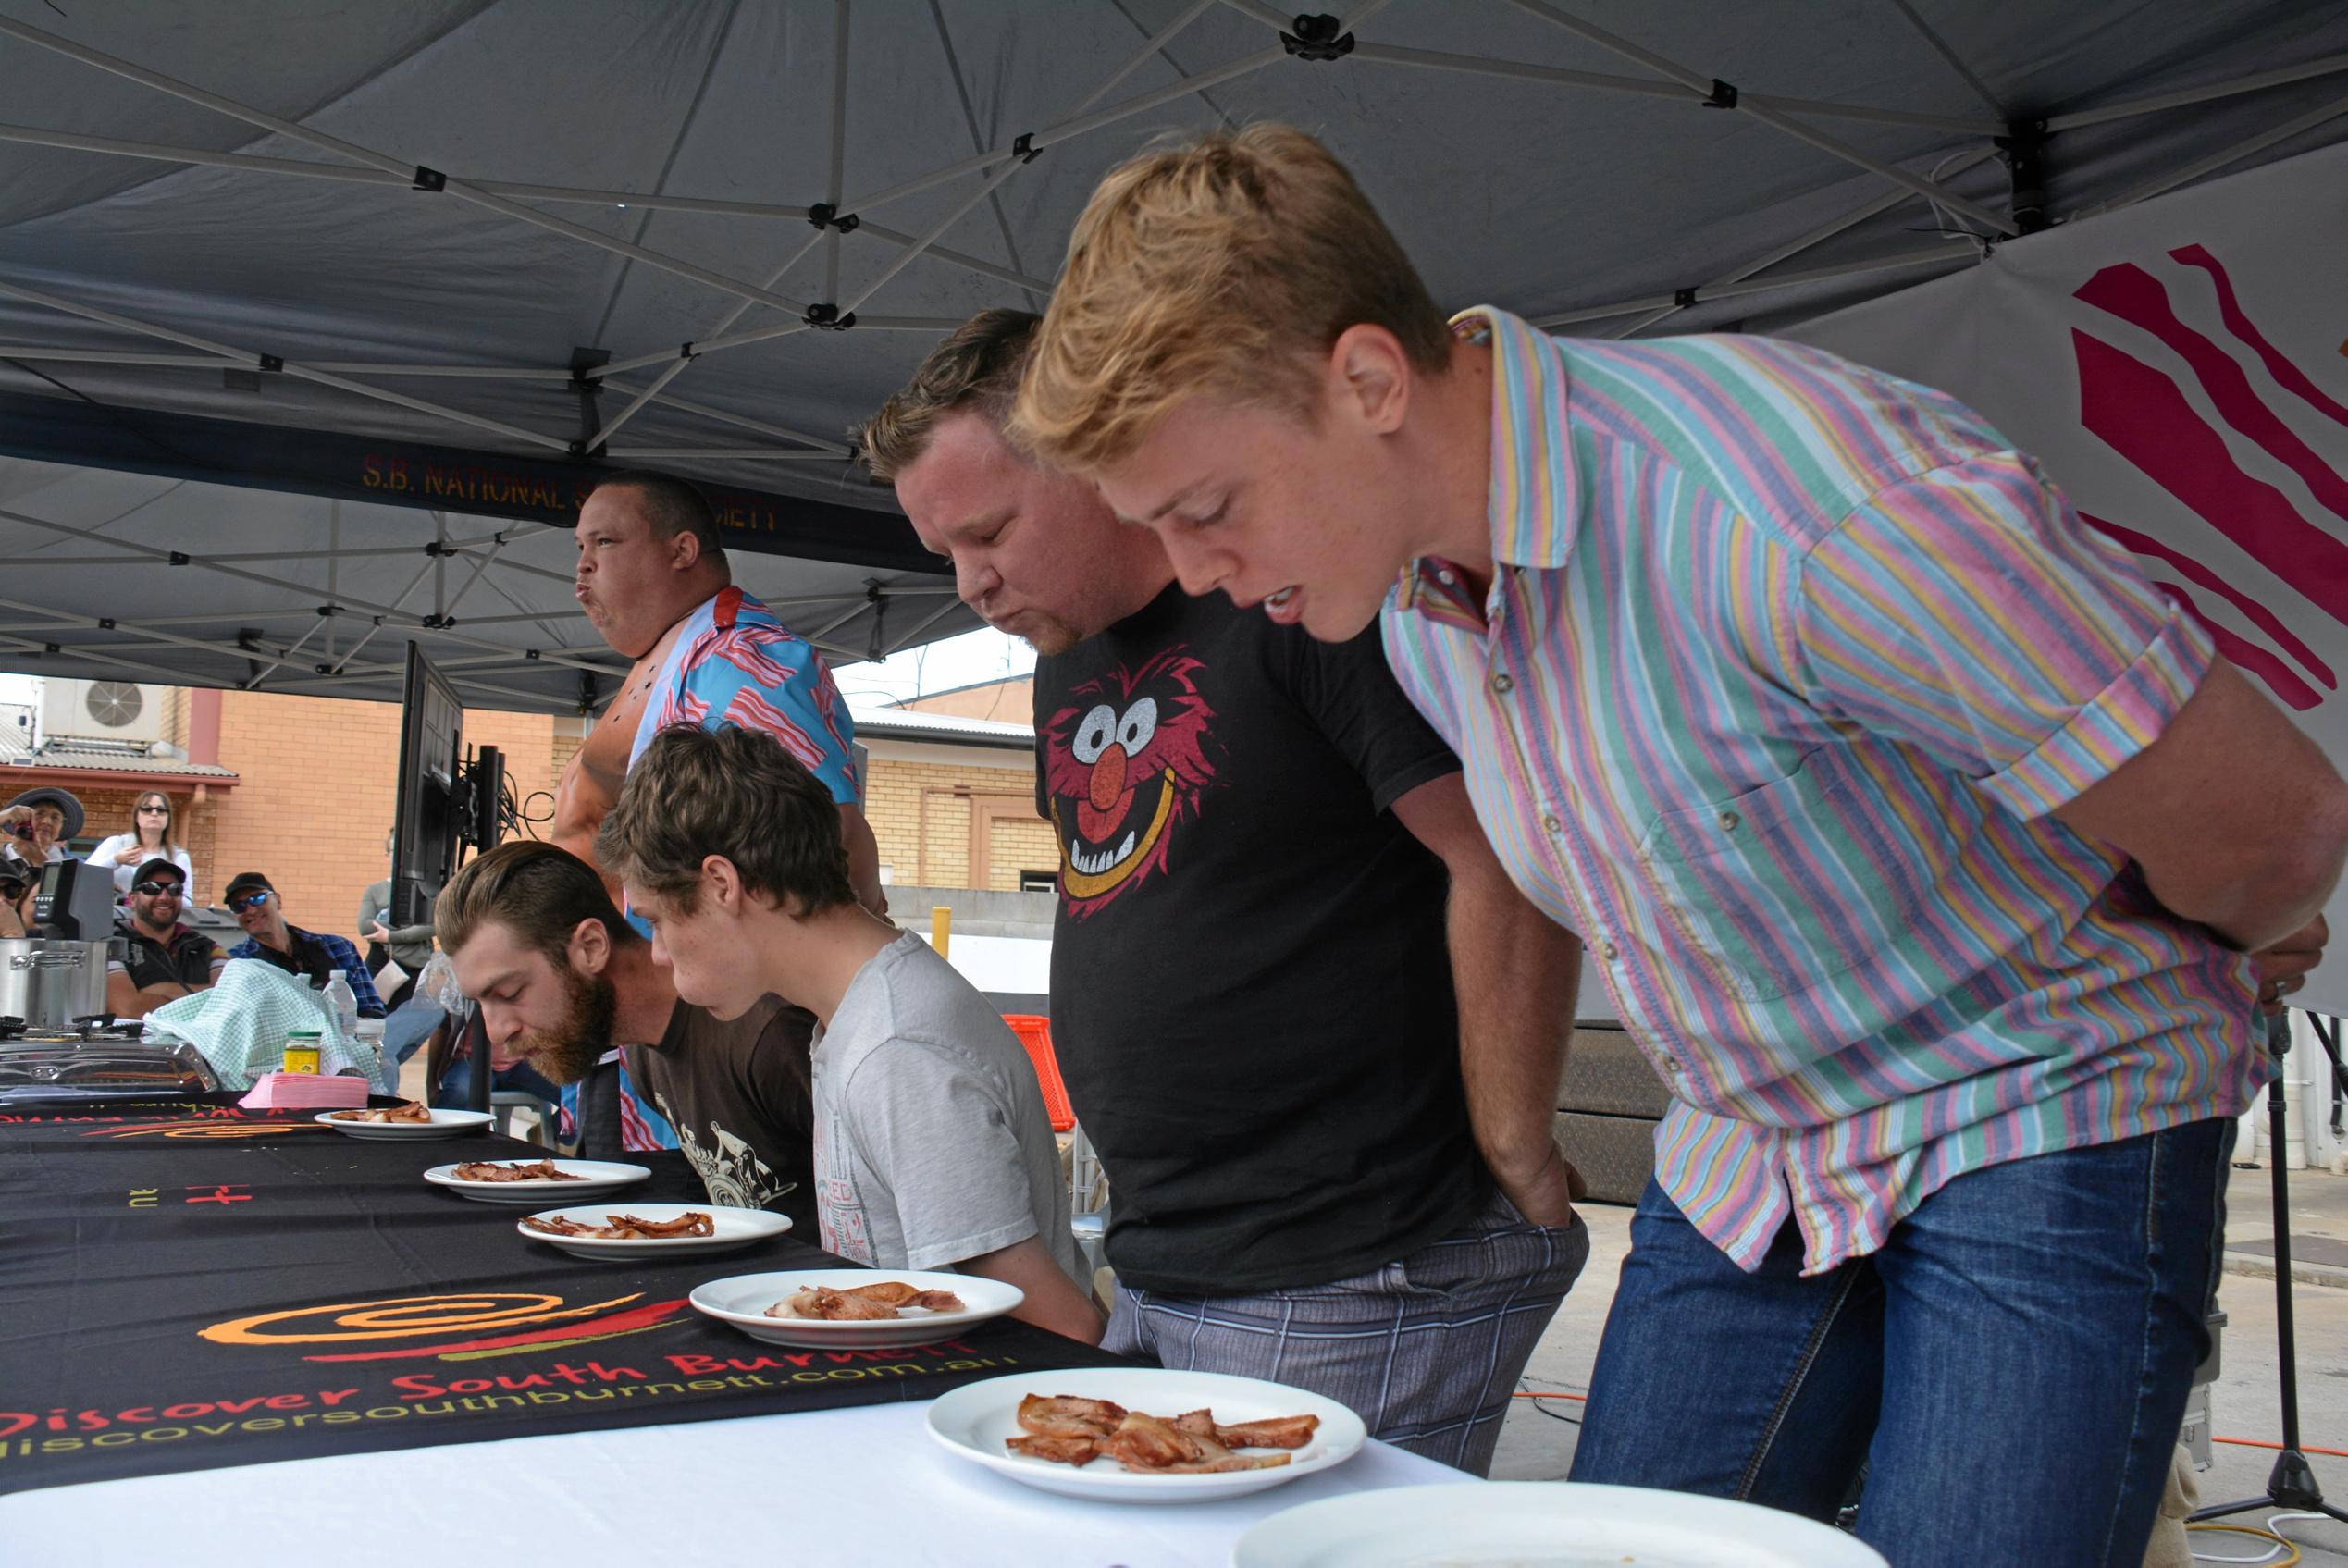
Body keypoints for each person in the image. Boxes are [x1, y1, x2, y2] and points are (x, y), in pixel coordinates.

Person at [1008, 124, 2348, 1562]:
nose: (1198, 573)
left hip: (2035, 1089)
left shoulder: (1797, 512)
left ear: (1367, 379)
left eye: (1208, 510)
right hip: (1753, 1137)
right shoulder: (1401, 582)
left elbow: (2272, 831)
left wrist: (2233, 921)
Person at [859, 309, 1589, 1470]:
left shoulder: (1298, 597)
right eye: (945, 552)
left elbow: (1505, 852)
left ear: (1093, 454)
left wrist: (1517, 1148)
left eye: (990, 531)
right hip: (1169, 1257)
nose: (972, 584)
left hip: (1353, 1258)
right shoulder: (1065, 660)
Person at [598, 722, 1100, 1344]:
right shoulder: (856, 1016)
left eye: (656, 922)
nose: (657, 955)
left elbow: (1061, 1324)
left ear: (721, 884)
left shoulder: (897, 1054)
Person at [544, 469, 883, 1156]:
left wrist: (841, 1019)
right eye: (578, 547)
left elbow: (831, 848)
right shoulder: (667, 660)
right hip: (646, 1055)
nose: (582, 567)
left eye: (605, 542)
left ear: (682, 550)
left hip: (725, 1063)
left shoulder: (744, 663)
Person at [435, 840, 817, 1226]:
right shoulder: (642, 1052)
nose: (497, 1032)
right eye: (480, 1003)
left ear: (591, 946)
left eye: (510, 993)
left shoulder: (770, 1033)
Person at [222, 871, 385, 1017]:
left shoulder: (339, 947)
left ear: (278, 900)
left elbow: (372, 1011)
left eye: (257, 899)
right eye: (239, 906)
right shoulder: (238, 963)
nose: (250, 910)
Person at [105, 858, 224, 1019]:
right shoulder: (112, 944)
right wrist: (203, 999)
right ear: (132, 898)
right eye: (152, 888)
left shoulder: (208, 947)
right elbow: (127, 1008)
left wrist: (163, 989)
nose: (164, 897)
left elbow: (228, 1001)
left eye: (174, 889)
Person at [85, 792, 193, 895]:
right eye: (147, 809)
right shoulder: (116, 844)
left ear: (168, 818)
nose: (154, 813)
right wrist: (115, 860)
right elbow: (85, 875)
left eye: (161, 810)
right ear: (136, 817)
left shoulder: (178, 857)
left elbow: (187, 900)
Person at [2, 786, 82, 867]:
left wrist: (39, 860)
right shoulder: (3, 856)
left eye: (55, 818)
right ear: (22, 820)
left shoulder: (74, 867)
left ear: (61, 829)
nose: (47, 822)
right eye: (39, 814)